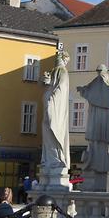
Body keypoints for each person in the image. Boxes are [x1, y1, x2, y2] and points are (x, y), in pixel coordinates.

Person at [78, 64, 109, 174]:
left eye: (101, 71)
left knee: (102, 143)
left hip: (103, 120)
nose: (99, 74)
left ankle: (101, 166)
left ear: (105, 71)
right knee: (95, 142)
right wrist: (84, 90)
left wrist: (85, 92)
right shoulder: (96, 83)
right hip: (96, 120)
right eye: (98, 71)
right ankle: (95, 165)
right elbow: (89, 91)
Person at [39, 50, 70, 183]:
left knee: (52, 132)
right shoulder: (60, 71)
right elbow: (58, 87)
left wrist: (51, 97)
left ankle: (55, 160)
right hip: (51, 106)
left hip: (53, 106)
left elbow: (60, 88)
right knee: (50, 134)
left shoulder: (60, 72)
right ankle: (51, 160)